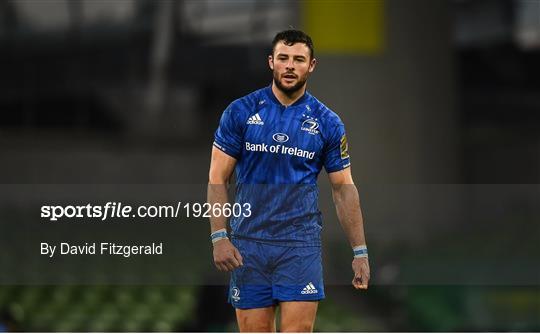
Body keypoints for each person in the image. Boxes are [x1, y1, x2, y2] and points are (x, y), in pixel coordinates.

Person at [208, 29, 370, 332]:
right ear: (271, 62)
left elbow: (343, 189)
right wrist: (219, 237)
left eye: (298, 59)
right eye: (283, 58)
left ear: (311, 66)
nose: (290, 65)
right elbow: (218, 177)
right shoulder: (240, 112)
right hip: (249, 245)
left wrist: (359, 252)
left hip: (299, 245)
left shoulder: (328, 122)